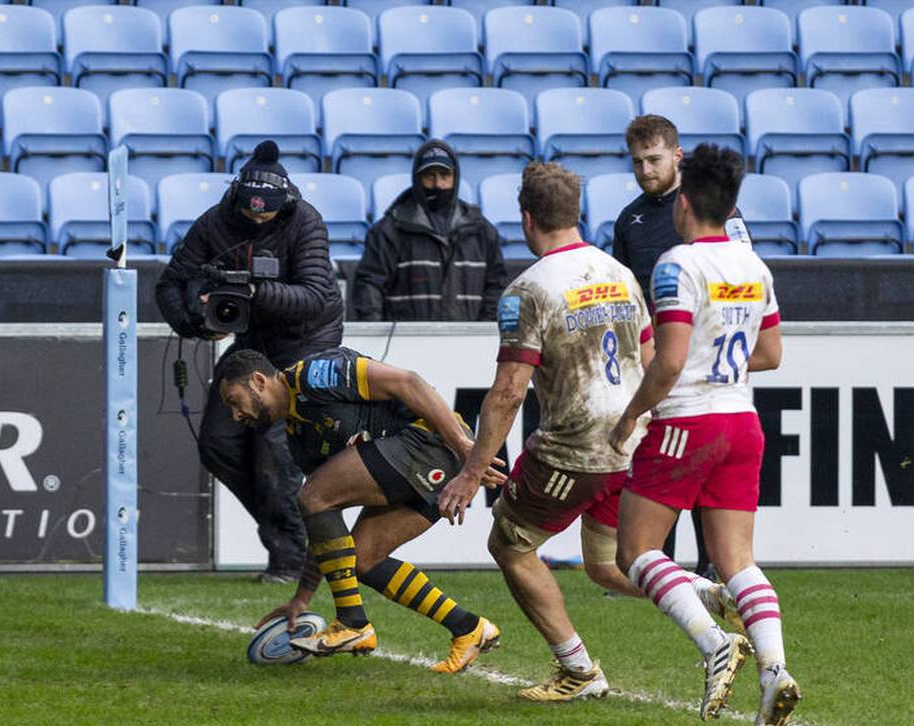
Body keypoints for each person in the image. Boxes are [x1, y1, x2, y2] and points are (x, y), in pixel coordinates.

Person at [436, 162, 740, 703]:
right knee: (609, 565)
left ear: (526, 218)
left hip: (574, 448)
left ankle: (577, 669)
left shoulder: (527, 290)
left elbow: (508, 392)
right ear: (576, 213)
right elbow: (650, 359)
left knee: (509, 544)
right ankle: (707, 594)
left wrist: (471, 469)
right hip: (634, 439)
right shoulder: (620, 273)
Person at [609, 144, 800, 725]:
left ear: (684, 202)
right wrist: (721, 360)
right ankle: (775, 670)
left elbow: (666, 363)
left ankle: (717, 645)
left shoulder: (676, 264)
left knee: (635, 552)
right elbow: (770, 354)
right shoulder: (753, 265)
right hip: (743, 422)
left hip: (688, 421)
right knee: (738, 559)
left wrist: (629, 416)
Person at [219, 348, 505, 673]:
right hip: (427, 459)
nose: (235, 415)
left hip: (434, 443)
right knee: (363, 559)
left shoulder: (312, 376)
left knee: (313, 496)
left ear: (258, 381)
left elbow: (408, 382)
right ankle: (469, 629)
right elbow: (324, 529)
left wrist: (465, 448)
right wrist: (302, 598)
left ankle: (352, 623)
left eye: (233, 400)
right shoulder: (299, 439)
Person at [156, 140, 344, 584]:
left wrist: (257, 291)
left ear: (287, 202)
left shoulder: (306, 222)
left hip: (305, 342)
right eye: (250, 211)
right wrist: (195, 323)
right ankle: (286, 531)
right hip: (249, 341)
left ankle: (291, 557)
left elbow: (316, 297)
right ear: (237, 196)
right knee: (218, 443)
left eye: (267, 213)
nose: (258, 218)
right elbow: (169, 284)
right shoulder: (215, 221)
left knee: (275, 452)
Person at [612, 114, 744, 575]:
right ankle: (656, 568)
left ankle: (711, 566)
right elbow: (623, 295)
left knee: (706, 471)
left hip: (702, 362)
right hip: (654, 358)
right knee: (654, 466)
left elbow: (740, 276)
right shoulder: (629, 220)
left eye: (654, 159)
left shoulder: (717, 213)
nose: (645, 170)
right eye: (637, 162)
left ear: (677, 156)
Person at [352, 139, 508, 322]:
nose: (438, 184)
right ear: (417, 179)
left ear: (455, 178)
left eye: (445, 175)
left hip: (470, 344)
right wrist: (374, 340)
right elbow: (369, 288)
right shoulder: (388, 230)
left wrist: (483, 334)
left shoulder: (482, 231)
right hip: (402, 346)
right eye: (430, 176)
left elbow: (496, 288)